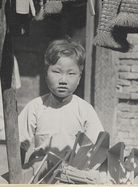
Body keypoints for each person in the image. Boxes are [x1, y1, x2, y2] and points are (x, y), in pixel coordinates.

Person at [18, 36, 104, 173]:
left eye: (71, 74)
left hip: (72, 177)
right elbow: (19, 145)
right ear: (46, 74)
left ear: (79, 78)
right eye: (57, 72)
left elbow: (98, 147)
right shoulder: (35, 107)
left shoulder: (84, 110)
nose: (63, 80)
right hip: (38, 176)